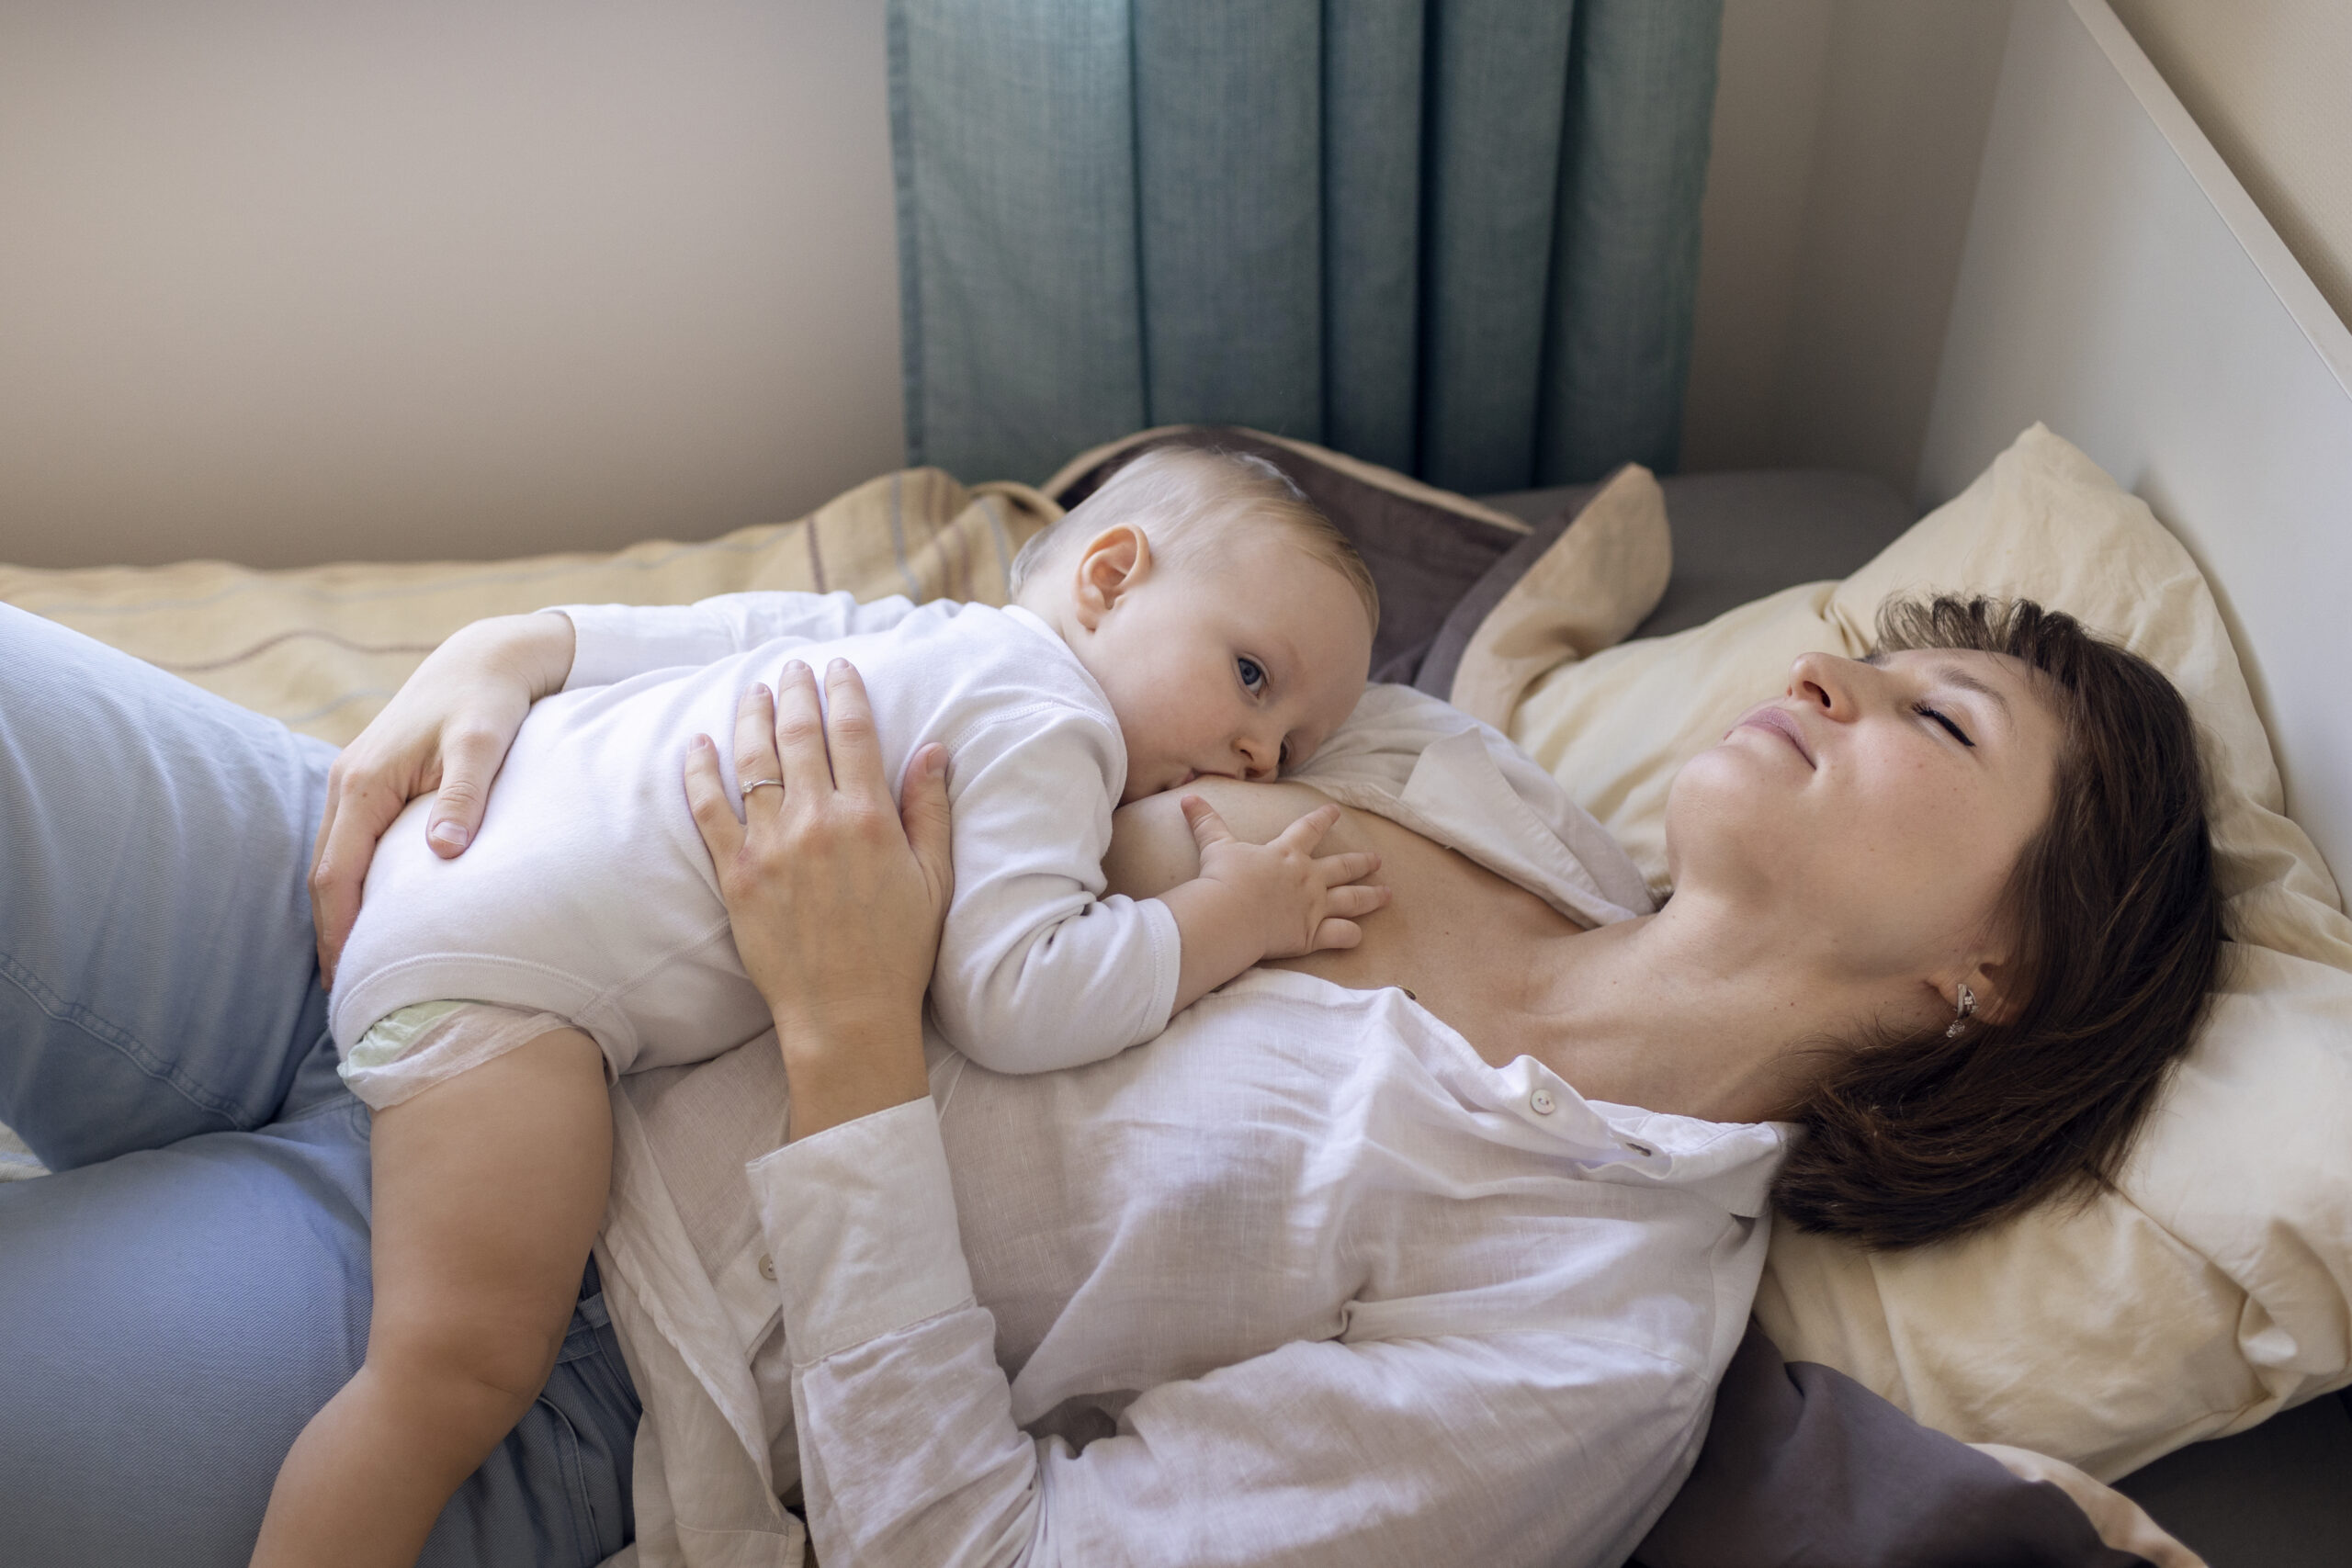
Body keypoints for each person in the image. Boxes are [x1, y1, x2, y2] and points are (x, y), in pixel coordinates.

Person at [0, 583, 2220, 1568]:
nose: (1829, 668)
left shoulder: (1588, 1336)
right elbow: (989, 653)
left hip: (539, 1319)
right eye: (1871, 653)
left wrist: (858, 1040)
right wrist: (543, 646)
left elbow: (983, 1548)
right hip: (481, 875)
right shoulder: (1452, 770)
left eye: (1931, 721)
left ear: (1989, 972)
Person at [262, 446, 1390, 1562]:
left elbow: (710, 629)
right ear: (1109, 579)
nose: (1257, 751)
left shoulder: (919, 630)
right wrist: (1230, 920)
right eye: (1251, 676)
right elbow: (1019, 993)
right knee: (451, 1372)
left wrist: (515, 648)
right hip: (506, 986)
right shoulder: (1055, 728)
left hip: (461, 839)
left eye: (1293, 744)